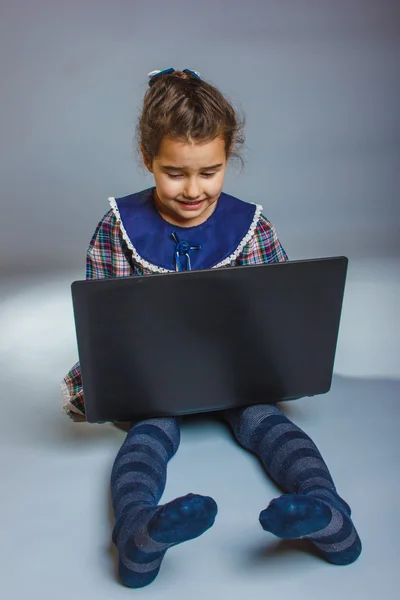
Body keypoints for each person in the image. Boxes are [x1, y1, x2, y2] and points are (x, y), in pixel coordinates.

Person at [61, 68, 362, 588]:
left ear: (228, 159)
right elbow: (104, 323)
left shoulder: (251, 225)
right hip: (152, 379)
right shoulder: (118, 226)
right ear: (147, 158)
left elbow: (282, 310)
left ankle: (329, 513)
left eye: (211, 172)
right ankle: (138, 535)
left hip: (236, 371)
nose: (194, 190)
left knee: (269, 424)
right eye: (175, 173)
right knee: (150, 432)